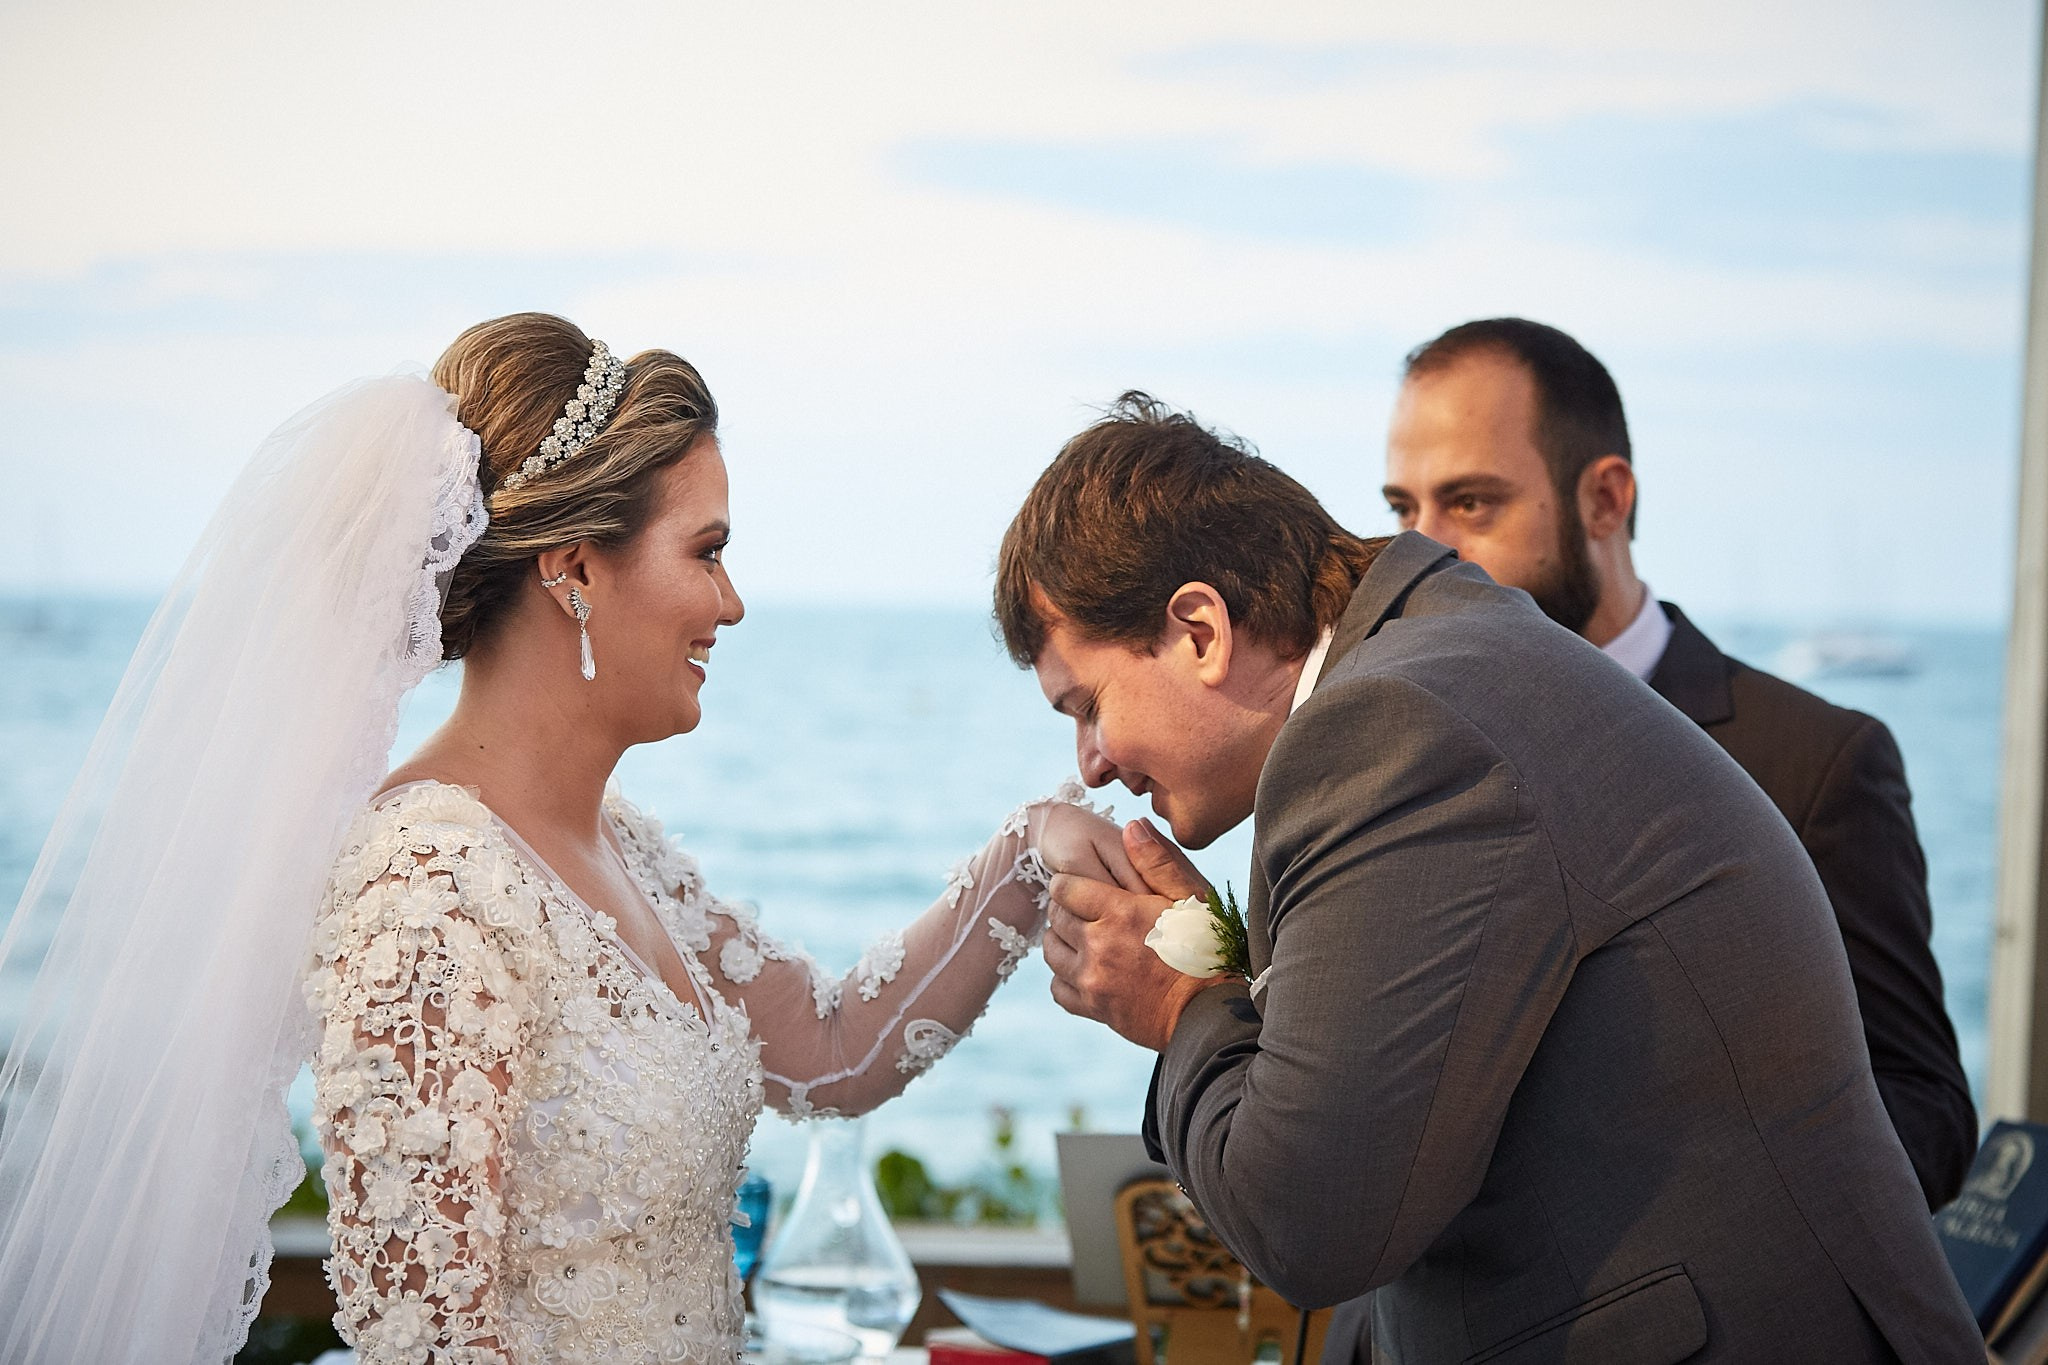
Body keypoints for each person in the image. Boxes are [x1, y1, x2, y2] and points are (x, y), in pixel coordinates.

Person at [0, 313, 1129, 1365]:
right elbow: (428, 1344)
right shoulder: (426, 890)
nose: (729, 605)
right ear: (575, 566)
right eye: (707, 551)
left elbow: (833, 1053)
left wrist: (1037, 850)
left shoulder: (622, 850)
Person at [1000, 394, 1981, 1363]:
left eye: (1086, 705)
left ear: (1199, 631)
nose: (1089, 762)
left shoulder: (1384, 726)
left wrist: (1177, 1006)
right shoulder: (1441, 655)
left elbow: (1311, 1222)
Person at [1381, 317, 1974, 1211]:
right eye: (1401, 509)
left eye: (1472, 504)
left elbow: (1926, 1118)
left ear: (1605, 501)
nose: (1421, 552)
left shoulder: (1813, 763)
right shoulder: (1392, 766)